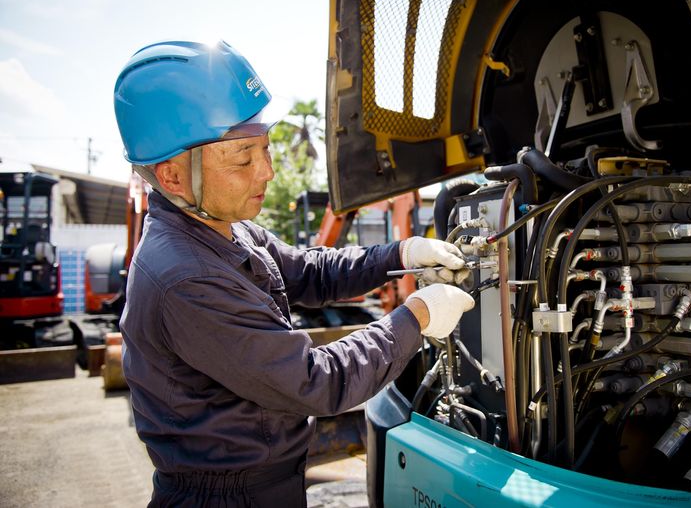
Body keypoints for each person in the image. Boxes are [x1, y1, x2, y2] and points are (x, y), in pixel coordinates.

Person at [113, 39, 476, 507]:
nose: (266, 171)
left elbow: (309, 272)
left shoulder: (225, 228)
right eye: (243, 158)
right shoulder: (186, 277)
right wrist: (418, 316)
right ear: (173, 177)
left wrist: (401, 252)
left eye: (265, 149)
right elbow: (315, 381)